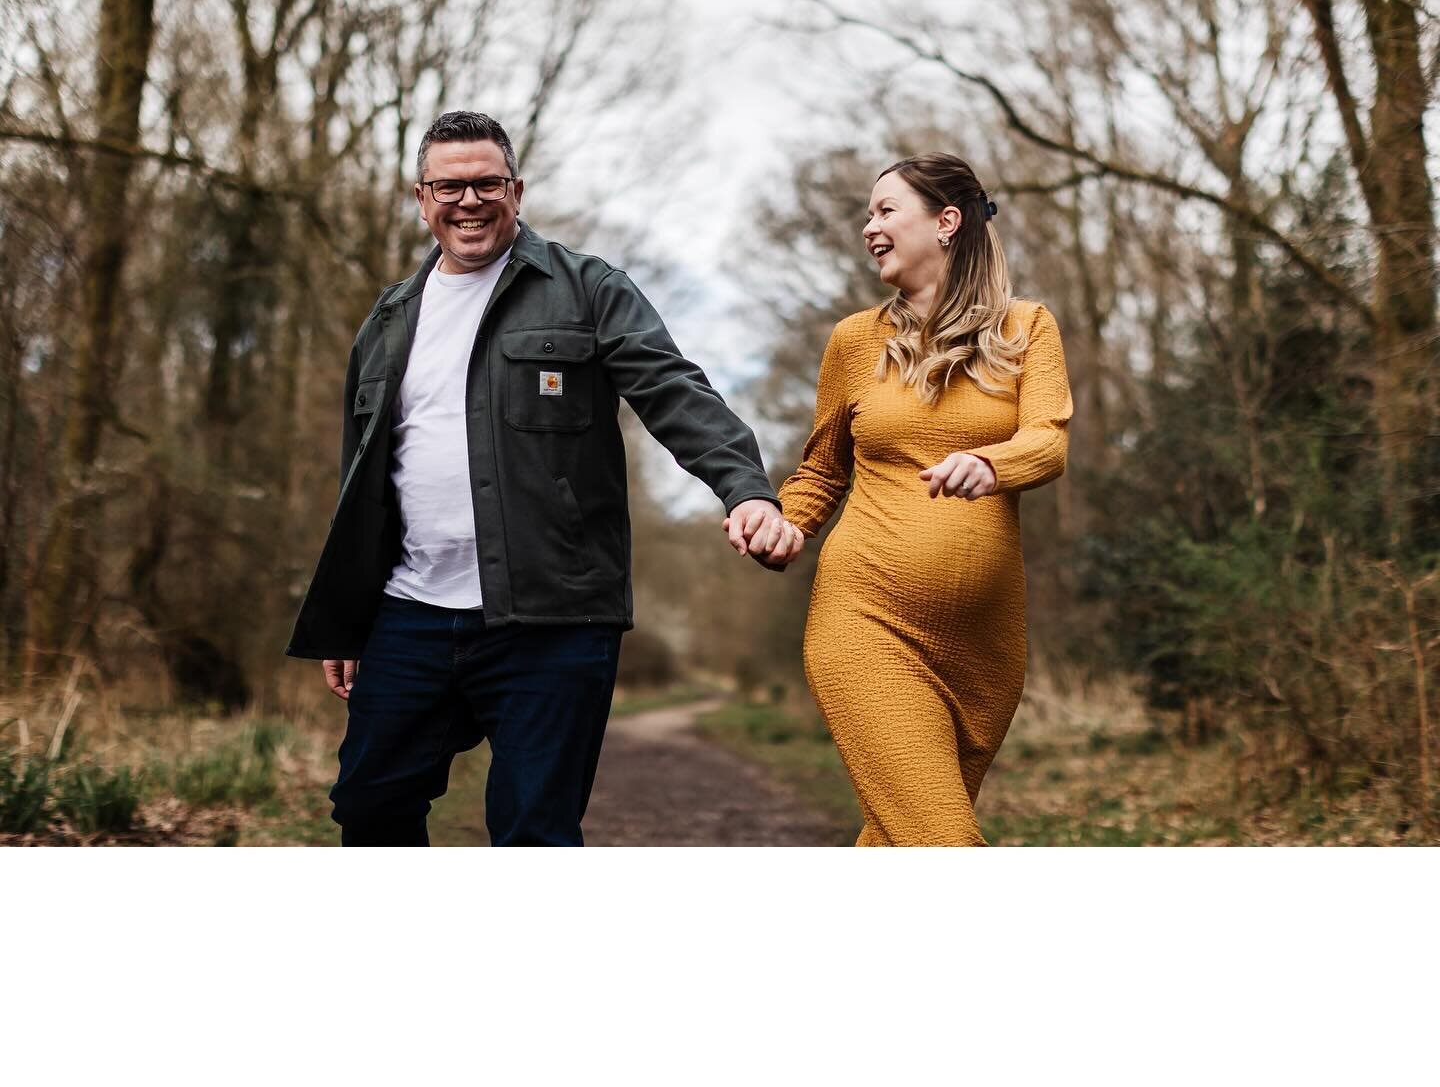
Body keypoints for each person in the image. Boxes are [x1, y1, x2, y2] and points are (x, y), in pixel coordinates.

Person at [286, 110, 784, 846]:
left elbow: (674, 392)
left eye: (487, 183)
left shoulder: (586, 289)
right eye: (448, 186)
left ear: (515, 189)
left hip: (552, 620)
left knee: (533, 831)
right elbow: (361, 478)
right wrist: (348, 610)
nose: (469, 201)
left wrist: (745, 488)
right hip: (410, 612)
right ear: (421, 199)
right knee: (368, 807)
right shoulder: (389, 318)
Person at [750, 153, 1072, 846]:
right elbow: (821, 472)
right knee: (943, 841)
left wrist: (991, 463)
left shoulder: (1027, 328)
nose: (869, 226)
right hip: (866, 620)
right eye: (869, 214)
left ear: (946, 222)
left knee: (899, 836)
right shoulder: (854, 342)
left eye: (885, 210)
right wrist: (787, 524)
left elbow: (1048, 443)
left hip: (985, 647)